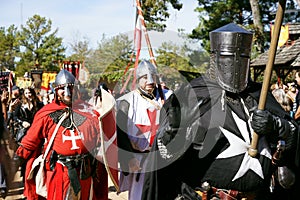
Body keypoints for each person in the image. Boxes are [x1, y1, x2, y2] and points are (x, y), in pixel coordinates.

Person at [142, 23, 300, 200]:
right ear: (215, 57)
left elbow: (294, 135)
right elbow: (164, 157)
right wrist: (176, 133)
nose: (236, 64)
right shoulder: (191, 95)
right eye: (228, 57)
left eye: (242, 57)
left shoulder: (260, 94)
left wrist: (277, 125)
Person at [15, 69, 116, 200]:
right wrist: (16, 161)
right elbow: (30, 141)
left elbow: (101, 138)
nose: (67, 91)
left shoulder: (87, 111)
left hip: (84, 171)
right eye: (62, 88)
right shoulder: (46, 114)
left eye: (71, 87)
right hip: (59, 172)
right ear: (56, 91)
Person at [116, 60, 168, 200]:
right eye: (145, 77)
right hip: (138, 159)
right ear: (138, 79)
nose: (150, 80)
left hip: (159, 158)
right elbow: (120, 133)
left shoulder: (166, 98)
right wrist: (129, 158)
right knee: (138, 195)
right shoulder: (127, 101)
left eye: (152, 76)